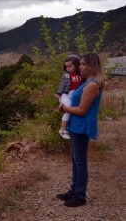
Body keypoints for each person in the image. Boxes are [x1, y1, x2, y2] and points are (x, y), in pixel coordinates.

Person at [56, 53, 105, 207]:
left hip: (81, 126)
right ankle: (74, 189)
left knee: (80, 161)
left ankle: (80, 195)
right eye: (80, 64)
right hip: (75, 125)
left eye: (83, 64)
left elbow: (82, 110)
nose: (80, 67)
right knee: (75, 160)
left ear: (91, 66)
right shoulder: (86, 82)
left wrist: (63, 107)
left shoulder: (92, 85)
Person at [55, 54, 83, 139]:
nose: (68, 68)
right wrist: (59, 93)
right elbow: (62, 84)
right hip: (66, 96)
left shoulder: (80, 74)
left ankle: (68, 127)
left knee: (75, 110)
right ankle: (63, 129)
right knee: (69, 110)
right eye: (67, 67)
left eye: (70, 66)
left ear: (77, 65)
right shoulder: (66, 75)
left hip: (75, 95)